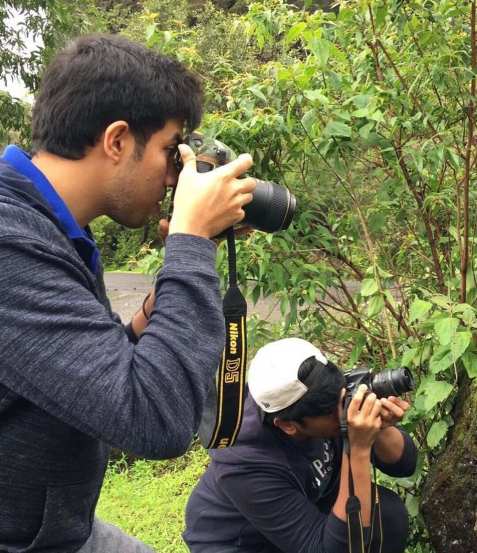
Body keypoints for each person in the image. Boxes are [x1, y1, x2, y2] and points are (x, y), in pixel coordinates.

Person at [0, 33, 256, 553]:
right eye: (169, 150)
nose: (173, 176)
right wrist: (189, 242)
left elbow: (84, 365)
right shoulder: (11, 243)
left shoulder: (53, 225)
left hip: (54, 528)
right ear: (117, 141)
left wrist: (163, 301)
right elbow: (154, 420)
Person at [184, 337, 417, 553]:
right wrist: (357, 448)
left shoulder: (318, 394)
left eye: (342, 396)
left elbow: (405, 464)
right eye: (332, 411)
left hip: (309, 500)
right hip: (241, 544)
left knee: (387, 517)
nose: (343, 411)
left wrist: (381, 427)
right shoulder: (244, 463)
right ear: (288, 425)